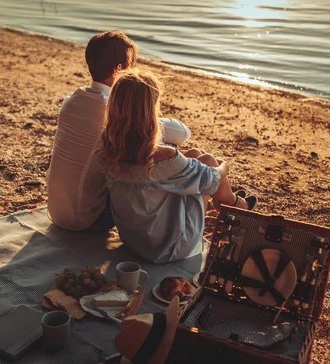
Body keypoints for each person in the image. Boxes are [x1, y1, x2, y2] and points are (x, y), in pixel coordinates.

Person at [100, 69, 257, 264]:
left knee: (194, 156)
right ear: (150, 113)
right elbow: (212, 180)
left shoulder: (108, 148)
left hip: (134, 241)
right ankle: (235, 205)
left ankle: (225, 204)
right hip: (168, 249)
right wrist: (225, 165)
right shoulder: (163, 156)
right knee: (208, 161)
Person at [46, 31, 191, 231]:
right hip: (87, 219)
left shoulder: (72, 100)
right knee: (160, 146)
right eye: (131, 65)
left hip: (55, 210)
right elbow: (183, 134)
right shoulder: (112, 111)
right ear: (119, 69)